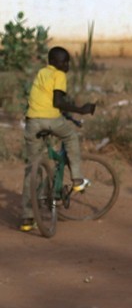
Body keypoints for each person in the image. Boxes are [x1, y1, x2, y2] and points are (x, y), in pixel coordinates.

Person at [20, 46, 96, 233]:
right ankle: (77, 179)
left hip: (32, 122)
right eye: (65, 61)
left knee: (32, 169)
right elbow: (57, 102)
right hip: (51, 120)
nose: (67, 65)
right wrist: (82, 110)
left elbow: (42, 99)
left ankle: (27, 218)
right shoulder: (59, 75)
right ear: (55, 62)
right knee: (70, 137)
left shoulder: (41, 73)